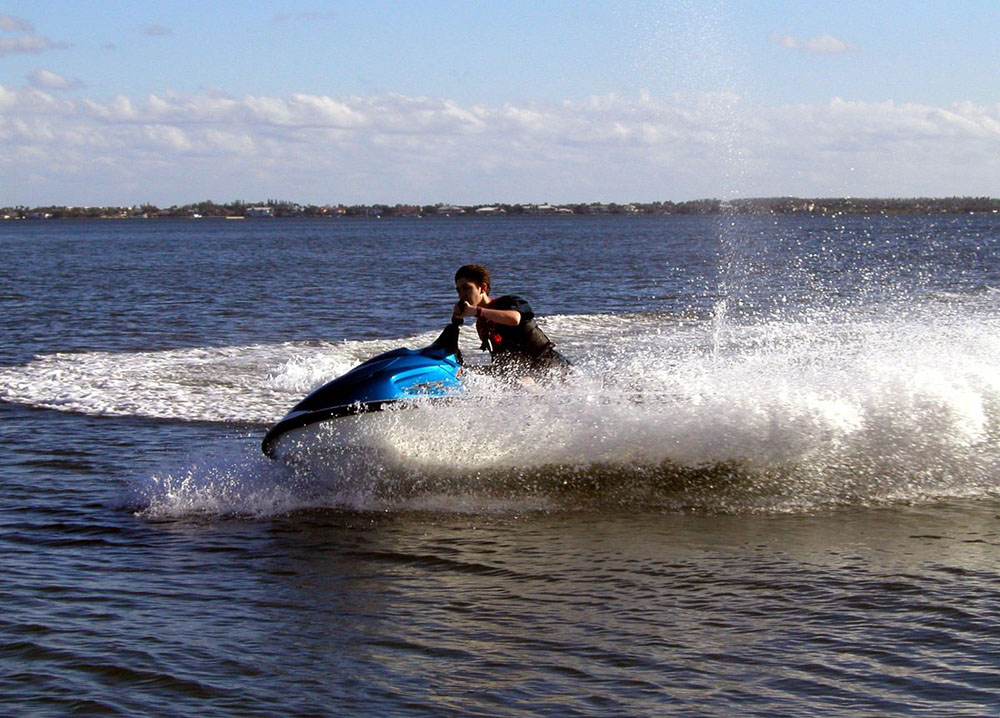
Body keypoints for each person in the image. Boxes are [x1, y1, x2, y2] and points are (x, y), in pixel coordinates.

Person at [451, 264, 570, 375]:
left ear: (483, 288)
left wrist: (477, 311)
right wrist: (465, 371)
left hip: (554, 368)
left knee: (523, 382)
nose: (462, 295)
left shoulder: (509, 302)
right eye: (458, 290)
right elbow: (502, 366)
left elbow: (515, 319)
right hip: (526, 373)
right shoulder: (482, 326)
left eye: (466, 288)